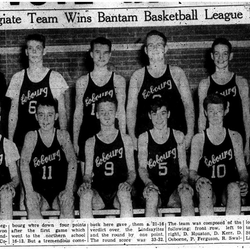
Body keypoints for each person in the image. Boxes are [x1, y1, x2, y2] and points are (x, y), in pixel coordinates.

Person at [127, 30, 194, 151]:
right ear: (146, 50)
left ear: (166, 48)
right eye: (151, 46)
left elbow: (188, 105)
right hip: (146, 140)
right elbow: (131, 110)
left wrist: (189, 134)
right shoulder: (137, 76)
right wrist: (132, 137)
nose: (155, 48)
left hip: (174, 138)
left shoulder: (177, 73)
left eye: (159, 45)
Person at [6, 33, 68, 150]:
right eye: (31, 48)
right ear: (26, 52)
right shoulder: (17, 78)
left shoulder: (55, 77)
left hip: (48, 137)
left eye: (38, 48)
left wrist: (63, 136)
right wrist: (10, 141)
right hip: (22, 138)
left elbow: (62, 111)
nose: (34, 52)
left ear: (44, 51)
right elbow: (13, 112)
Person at [190, 94, 248, 215]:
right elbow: (191, 172)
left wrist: (244, 182)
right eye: (211, 111)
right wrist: (198, 178)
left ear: (225, 111)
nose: (215, 115)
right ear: (205, 112)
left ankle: (231, 231)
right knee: (205, 188)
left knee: (234, 188)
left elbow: (242, 170)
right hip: (207, 189)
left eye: (219, 111)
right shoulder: (199, 139)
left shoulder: (235, 137)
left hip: (226, 190)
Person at [78, 96, 136, 218]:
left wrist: (128, 182)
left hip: (119, 192)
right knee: (85, 195)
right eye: (102, 112)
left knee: (124, 194)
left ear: (116, 113)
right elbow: (87, 174)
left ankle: (128, 235)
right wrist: (86, 183)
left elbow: (132, 172)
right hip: (98, 194)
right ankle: (87, 235)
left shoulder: (125, 139)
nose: (106, 115)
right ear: (97, 114)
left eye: (110, 111)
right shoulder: (90, 142)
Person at [20, 99, 77, 219]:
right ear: (36, 116)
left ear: (56, 116)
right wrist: (29, 192)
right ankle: (39, 237)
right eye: (41, 115)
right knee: (31, 202)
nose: (45, 120)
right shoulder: (31, 136)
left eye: (49, 115)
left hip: (59, 192)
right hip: (39, 192)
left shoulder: (62, 135)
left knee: (67, 203)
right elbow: (24, 163)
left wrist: (68, 190)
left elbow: (72, 161)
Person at [138, 96, 194, 217]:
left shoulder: (178, 135)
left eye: (162, 113)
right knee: (151, 196)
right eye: (155, 114)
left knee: (186, 194)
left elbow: (183, 167)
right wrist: (148, 183)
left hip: (173, 188)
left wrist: (184, 180)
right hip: (154, 186)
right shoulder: (144, 137)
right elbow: (142, 168)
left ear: (168, 114)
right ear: (149, 115)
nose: (159, 118)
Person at [198, 37, 250, 164]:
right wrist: (201, 144)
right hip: (214, 140)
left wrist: (248, 143)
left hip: (237, 140)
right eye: (217, 53)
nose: (220, 58)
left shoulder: (240, 82)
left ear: (230, 56)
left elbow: (247, 115)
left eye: (224, 53)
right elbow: (201, 118)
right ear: (211, 56)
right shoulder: (205, 84)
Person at [73, 37, 126, 158]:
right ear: (91, 54)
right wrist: (75, 141)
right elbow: (78, 114)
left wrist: (122, 136)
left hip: (110, 134)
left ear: (110, 55)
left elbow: (121, 111)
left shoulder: (118, 80)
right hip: (87, 133)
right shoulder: (82, 82)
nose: (101, 56)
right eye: (97, 52)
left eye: (105, 53)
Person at [0, 104, 20, 220]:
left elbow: (15, 178)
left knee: (6, 194)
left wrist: (10, 185)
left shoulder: (7, 144)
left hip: (2, 190)